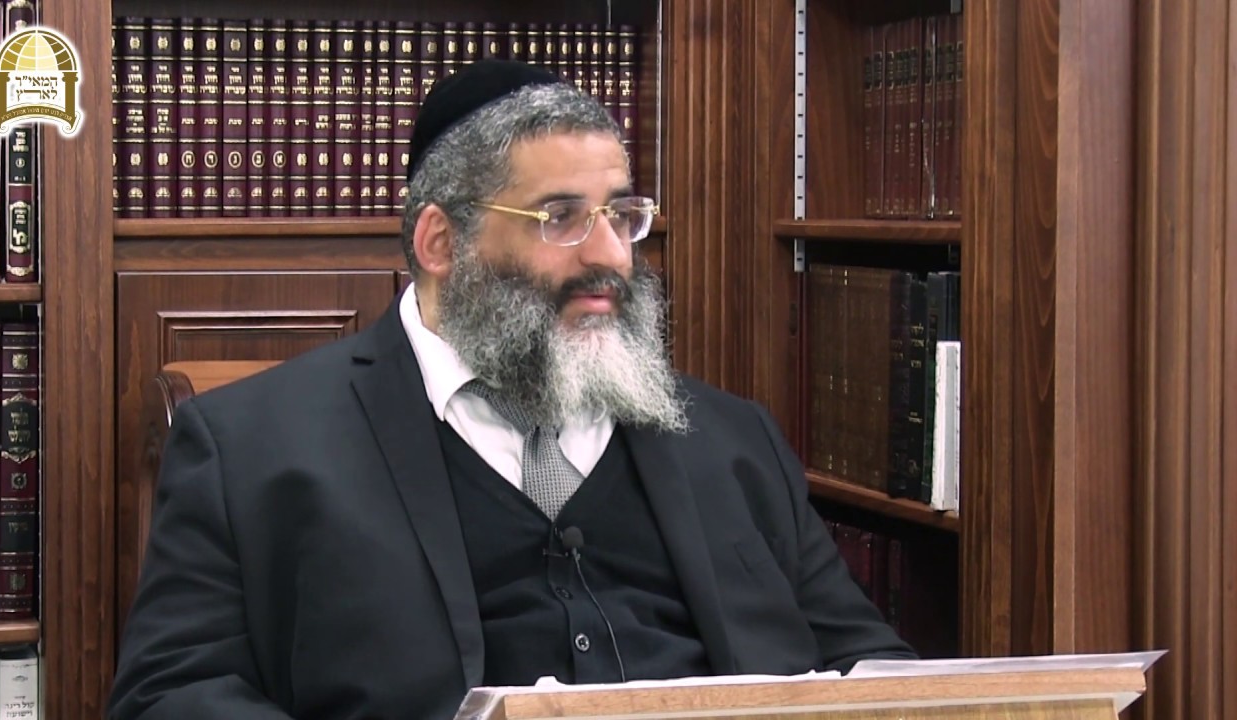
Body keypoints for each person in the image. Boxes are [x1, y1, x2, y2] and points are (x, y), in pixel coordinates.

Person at [107, 58, 916, 720]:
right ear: (440, 242)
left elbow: (874, 671)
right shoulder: (250, 448)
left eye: (620, 215)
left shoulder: (735, 441)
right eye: (561, 217)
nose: (611, 256)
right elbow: (168, 697)